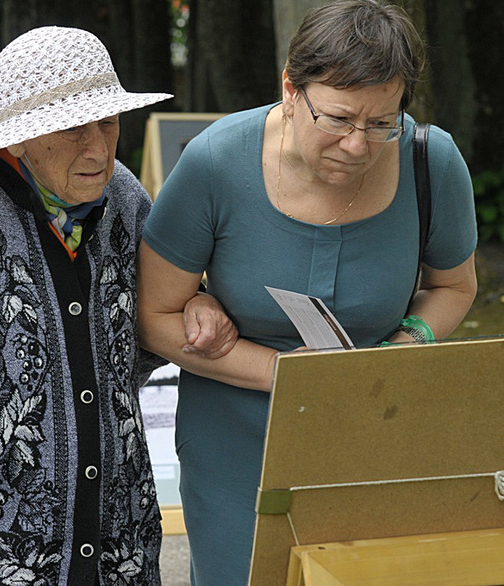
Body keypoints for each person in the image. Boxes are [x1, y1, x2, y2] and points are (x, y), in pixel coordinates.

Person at [0, 27, 236, 586]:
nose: (98, 148)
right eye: (73, 127)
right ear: (18, 139)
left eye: (108, 122)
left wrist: (197, 303)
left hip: (118, 548)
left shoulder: (123, 196)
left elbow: (146, 321)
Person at [136, 1, 478, 584]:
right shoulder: (216, 162)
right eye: (338, 119)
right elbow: (154, 315)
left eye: (382, 123)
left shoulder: (431, 160)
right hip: (236, 436)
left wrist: (405, 344)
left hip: (377, 421)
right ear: (291, 90)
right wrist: (285, 374)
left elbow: (454, 285)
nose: (357, 145)